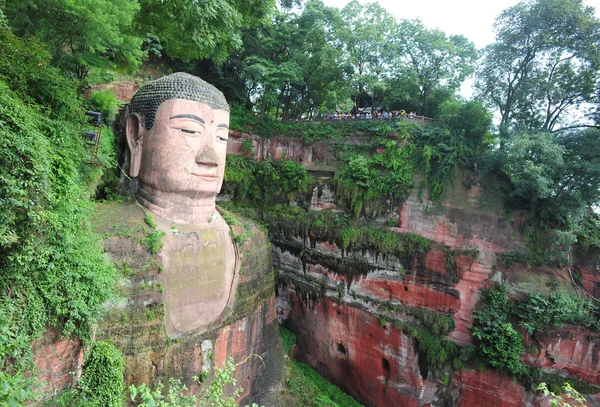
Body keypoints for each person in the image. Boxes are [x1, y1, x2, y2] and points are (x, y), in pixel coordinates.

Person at [126, 72, 237, 336]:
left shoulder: (248, 238)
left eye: (221, 138)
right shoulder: (112, 245)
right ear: (136, 135)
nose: (210, 157)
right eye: (189, 130)